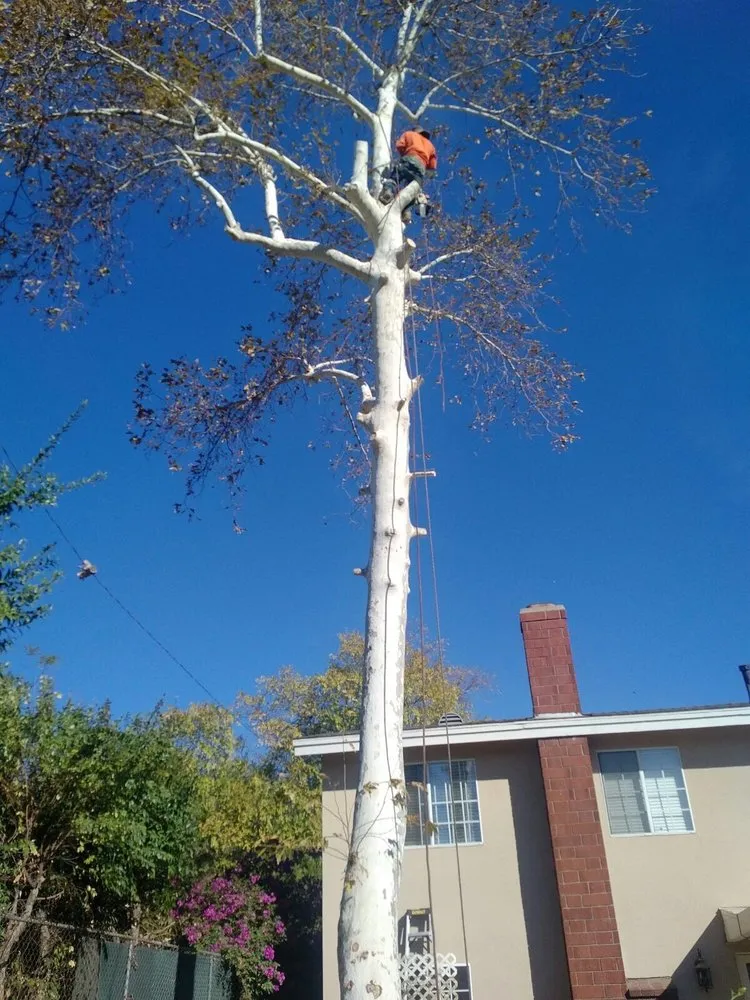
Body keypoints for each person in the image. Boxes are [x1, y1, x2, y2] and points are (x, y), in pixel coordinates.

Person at [380, 125, 437, 220]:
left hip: (409, 158)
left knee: (395, 176)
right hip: (421, 167)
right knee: (412, 191)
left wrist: (405, 154)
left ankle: (388, 192)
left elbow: (400, 145)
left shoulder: (409, 134)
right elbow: (432, 166)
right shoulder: (430, 145)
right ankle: (406, 211)